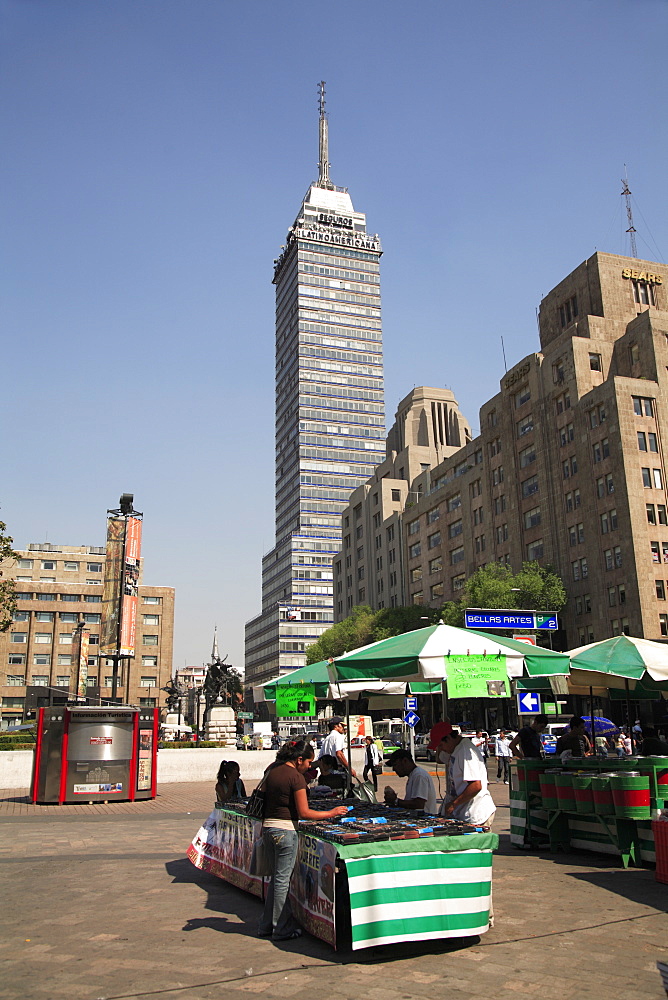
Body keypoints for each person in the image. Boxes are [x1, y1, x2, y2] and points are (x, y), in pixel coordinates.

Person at [257, 740, 348, 941]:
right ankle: (281, 928)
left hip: (268, 829)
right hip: (285, 831)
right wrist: (331, 812)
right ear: (299, 759)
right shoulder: (296, 778)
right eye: (308, 762)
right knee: (281, 882)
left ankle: (266, 925)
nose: (309, 766)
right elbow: (304, 812)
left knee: (275, 879)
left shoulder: (272, 771)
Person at [433, 729, 496, 827]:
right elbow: (439, 759)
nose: (441, 749)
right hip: (463, 813)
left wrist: (454, 804)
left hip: (476, 813)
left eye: (441, 745)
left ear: (449, 738)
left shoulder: (465, 751)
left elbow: (476, 786)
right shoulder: (454, 749)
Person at [383, 749, 438, 814]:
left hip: (425, 818)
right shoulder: (413, 775)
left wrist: (396, 801)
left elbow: (419, 805)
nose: (393, 769)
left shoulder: (419, 775)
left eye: (395, 765)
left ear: (405, 761)